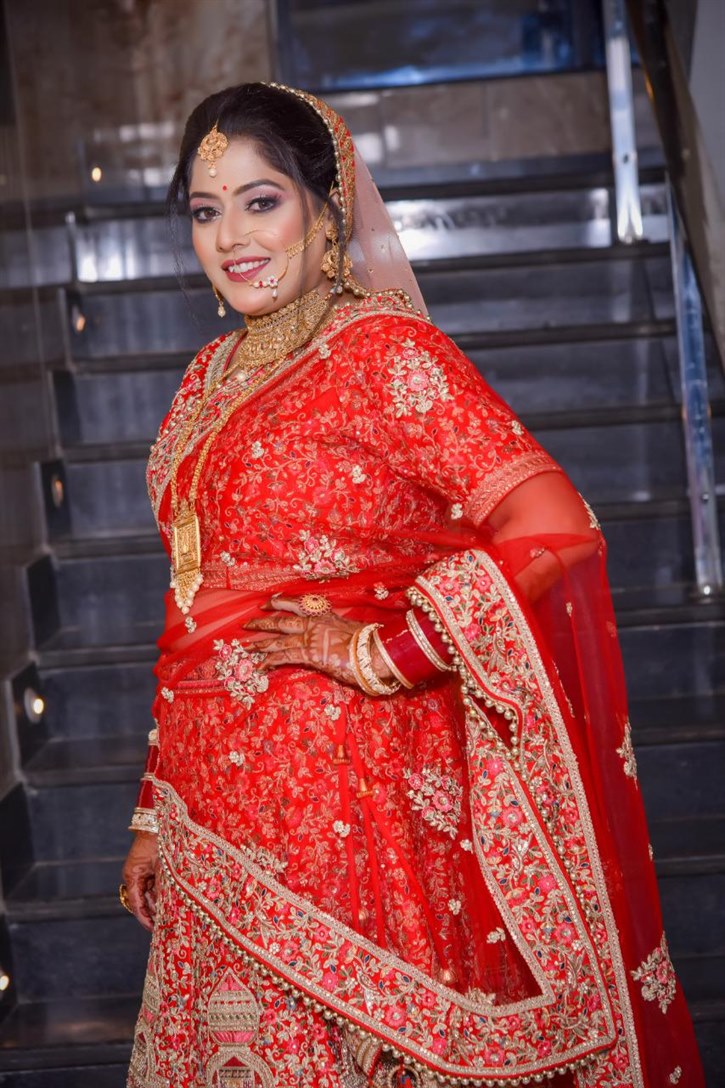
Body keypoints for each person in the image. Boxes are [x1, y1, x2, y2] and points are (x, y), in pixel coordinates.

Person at [121, 82, 703, 1088]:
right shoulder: (203, 379)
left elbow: (555, 528)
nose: (230, 237)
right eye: (206, 211)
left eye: (261, 201)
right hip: (211, 811)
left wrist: (380, 649)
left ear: (327, 210)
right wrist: (150, 809)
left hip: (353, 811)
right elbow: (193, 601)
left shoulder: (383, 354)